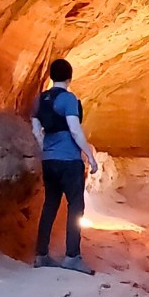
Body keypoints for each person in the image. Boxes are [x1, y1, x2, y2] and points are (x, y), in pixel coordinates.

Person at [31, 58, 98, 274]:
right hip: (69, 160)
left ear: (50, 76)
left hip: (48, 159)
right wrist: (90, 156)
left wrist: (45, 148)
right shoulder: (69, 99)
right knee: (75, 207)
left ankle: (41, 255)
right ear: (69, 78)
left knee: (50, 205)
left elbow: (35, 129)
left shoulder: (39, 100)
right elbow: (75, 130)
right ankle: (72, 257)